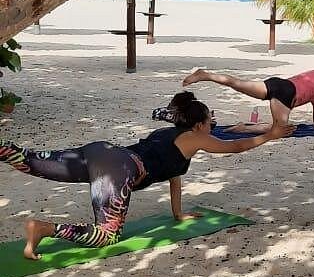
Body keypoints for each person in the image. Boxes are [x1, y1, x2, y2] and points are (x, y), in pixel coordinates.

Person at [0, 92, 294, 260]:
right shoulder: (195, 138)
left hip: (101, 152)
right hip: (117, 169)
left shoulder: (168, 133)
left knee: (30, 161)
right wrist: (271, 134)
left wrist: (178, 214)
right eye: (210, 120)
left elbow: (174, 175)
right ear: (200, 124)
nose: (212, 123)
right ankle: (42, 229)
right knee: (106, 237)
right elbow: (236, 147)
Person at [182, 55, 314, 132]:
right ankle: (242, 128)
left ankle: (205, 75)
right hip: (286, 93)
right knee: (279, 130)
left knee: (236, 83)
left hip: (279, 84)